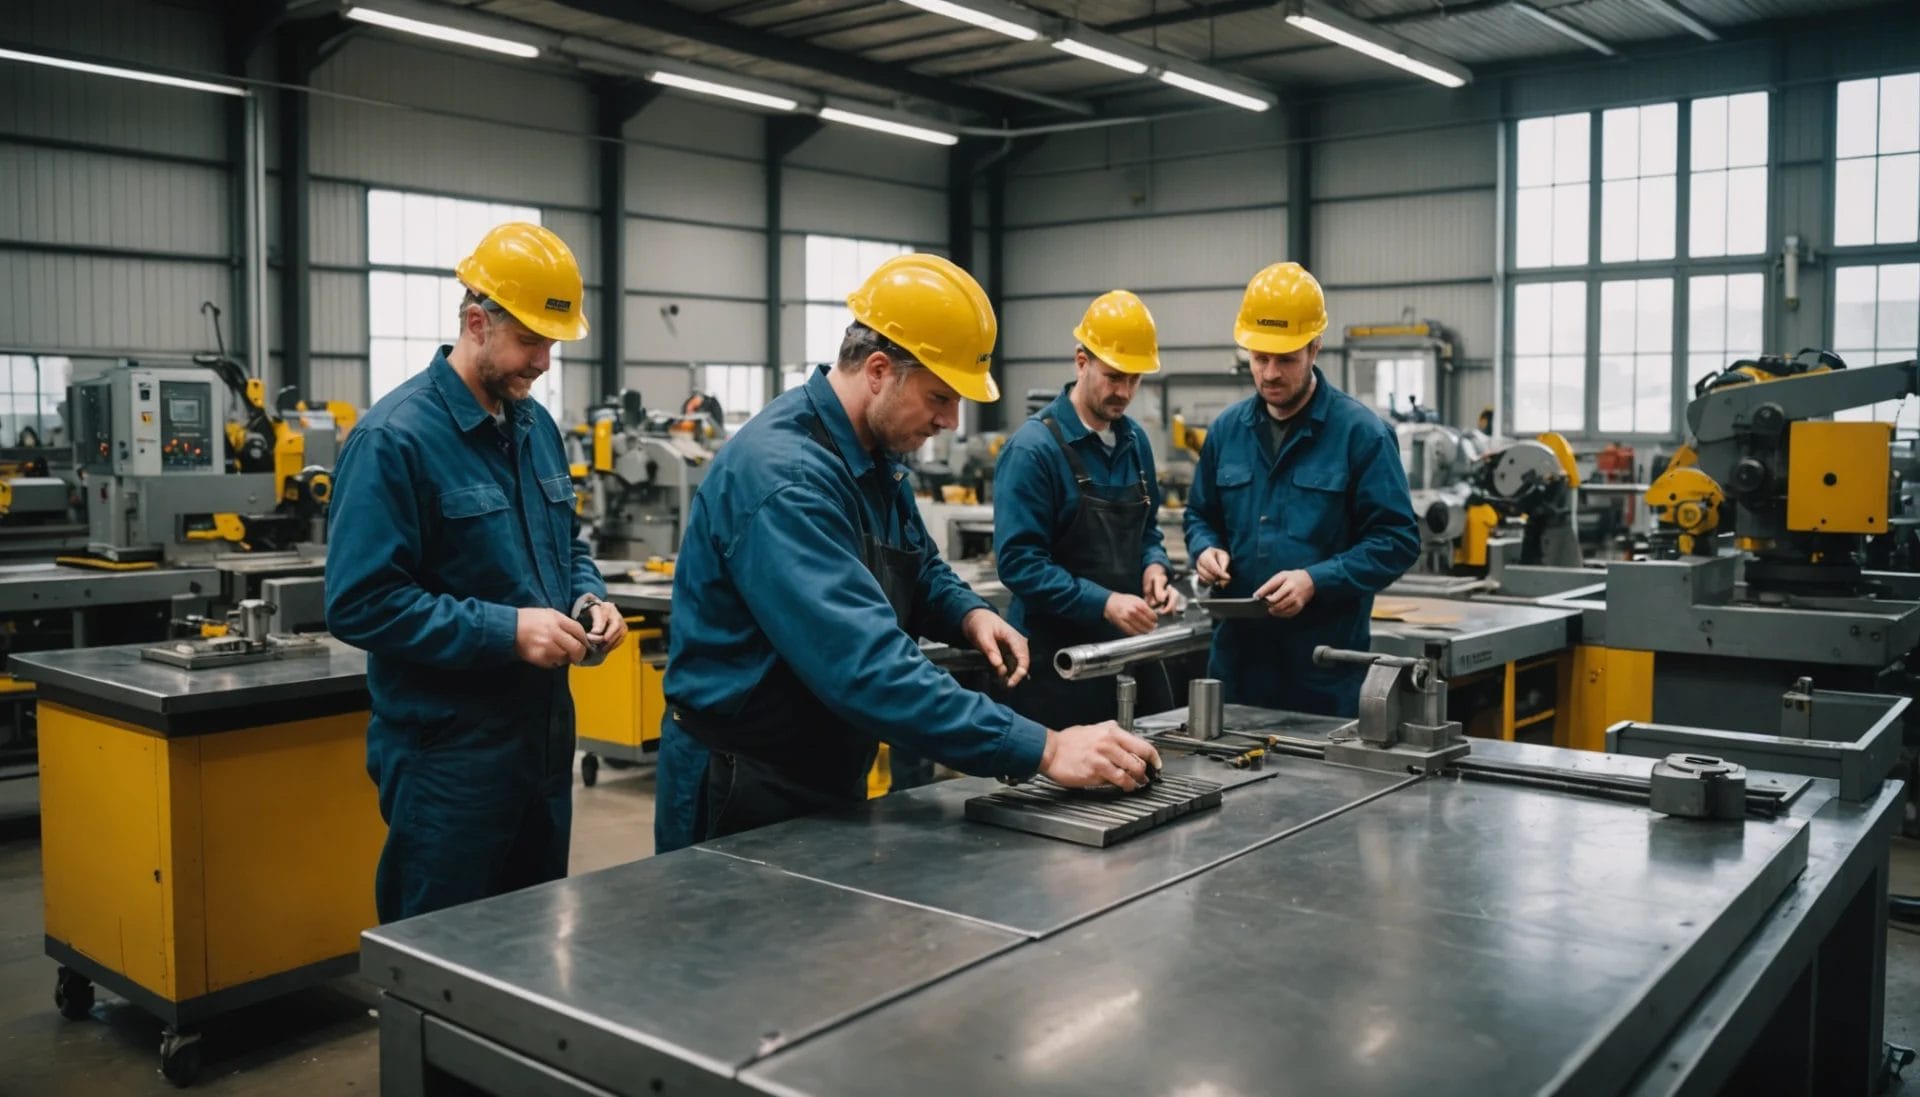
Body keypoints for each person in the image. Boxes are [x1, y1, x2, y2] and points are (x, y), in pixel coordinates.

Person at [652, 254, 1160, 851]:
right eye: (940, 398)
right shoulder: (786, 478)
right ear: (877, 370)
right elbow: (866, 666)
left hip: (824, 762)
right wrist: (1045, 748)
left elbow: (918, 566)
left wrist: (968, 614)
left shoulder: (873, 458)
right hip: (740, 783)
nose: (950, 420)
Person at [325, 222, 628, 923]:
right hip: (447, 759)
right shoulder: (394, 438)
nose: (545, 362)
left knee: (526, 953)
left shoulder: (536, 429)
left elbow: (566, 543)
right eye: (531, 341)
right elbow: (360, 602)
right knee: (439, 959)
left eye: (554, 343)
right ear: (475, 322)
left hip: (544, 747)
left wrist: (590, 595)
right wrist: (506, 630)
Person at [1183, 262, 1420, 716]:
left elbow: (1397, 541)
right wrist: (1206, 549)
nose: (1270, 373)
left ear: (1315, 349)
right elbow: (1200, 515)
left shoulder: (1361, 435)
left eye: (1285, 359)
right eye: (1259, 357)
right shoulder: (1226, 432)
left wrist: (1315, 581)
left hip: (1323, 676)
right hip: (1236, 673)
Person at [993, 290, 1178, 731]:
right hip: (1054, 667)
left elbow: (1147, 530)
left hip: (1123, 653)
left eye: (1134, 379)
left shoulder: (1135, 442)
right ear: (1081, 361)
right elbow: (1019, 564)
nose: (1124, 392)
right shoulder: (1034, 450)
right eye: (1114, 377)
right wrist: (1104, 602)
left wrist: (1155, 566)